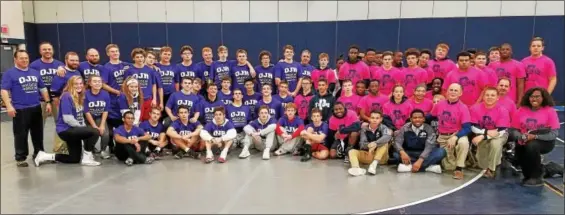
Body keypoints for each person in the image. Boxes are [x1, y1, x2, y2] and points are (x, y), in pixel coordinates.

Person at [34, 76, 100, 166]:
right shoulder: (66, 96)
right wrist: (83, 129)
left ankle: (44, 156)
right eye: (76, 84)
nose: (79, 86)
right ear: (70, 85)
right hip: (66, 130)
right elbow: (68, 119)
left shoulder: (80, 96)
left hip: (74, 130)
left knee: (74, 158)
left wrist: (83, 130)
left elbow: (80, 117)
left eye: (81, 83)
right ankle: (87, 157)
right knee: (94, 131)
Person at [1, 50, 52, 167]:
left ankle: (39, 154)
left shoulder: (35, 72)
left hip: (36, 107)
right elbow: (4, 90)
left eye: (26, 58)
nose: (24, 60)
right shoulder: (10, 73)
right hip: (20, 109)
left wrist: (48, 102)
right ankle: (20, 157)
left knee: (38, 133)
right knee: (21, 134)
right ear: (15, 59)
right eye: (21, 58)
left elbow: (42, 88)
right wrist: (9, 106)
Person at [509, 87, 560, 186]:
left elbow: (553, 134)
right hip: (524, 140)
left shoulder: (549, 111)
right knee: (526, 172)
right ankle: (550, 168)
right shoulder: (521, 110)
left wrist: (535, 136)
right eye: (532, 96)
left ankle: (537, 178)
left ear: (543, 98)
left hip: (544, 142)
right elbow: (513, 129)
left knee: (532, 145)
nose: (534, 99)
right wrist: (520, 136)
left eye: (537, 96)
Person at [430, 83, 471, 180]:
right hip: (442, 137)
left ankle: (459, 169)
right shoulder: (440, 104)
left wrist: (455, 136)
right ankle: (456, 161)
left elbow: (467, 128)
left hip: (456, 134)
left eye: (456, 90)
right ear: (447, 92)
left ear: (460, 93)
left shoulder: (463, 108)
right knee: (448, 167)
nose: (453, 92)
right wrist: (416, 118)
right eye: (451, 90)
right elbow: (430, 116)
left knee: (463, 142)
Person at [470, 87, 510, 178]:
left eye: (492, 95)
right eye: (487, 95)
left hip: (500, 135)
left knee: (495, 143)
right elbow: (473, 126)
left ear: (497, 97)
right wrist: (486, 132)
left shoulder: (503, 110)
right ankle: (496, 159)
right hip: (482, 133)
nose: (489, 97)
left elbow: (500, 130)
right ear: (483, 97)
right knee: (482, 164)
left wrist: (483, 137)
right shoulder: (475, 108)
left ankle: (492, 169)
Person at [394, 109, 444, 174]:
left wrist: (420, 160)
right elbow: (397, 141)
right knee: (396, 154)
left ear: (424, 119)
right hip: (409, 153)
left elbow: (429, 147)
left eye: (420, 117)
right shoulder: (404, 128)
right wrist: (402, 152)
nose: (417, 119)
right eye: (415, 118)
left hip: (424, 153)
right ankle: (428, 167)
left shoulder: (429, 129)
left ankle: (409, 167)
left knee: (441, 152)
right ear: (411, 119)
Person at [29, 42, 64, 131]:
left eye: (49, 49)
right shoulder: (34, 65)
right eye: (44, 49)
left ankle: (60, 145)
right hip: (41, 99)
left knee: (60, 123)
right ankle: (39, 144)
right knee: (39, 124)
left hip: (57, 98)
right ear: (40, 51)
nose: (47, 51)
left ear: (53, 51)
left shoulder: (60, 64)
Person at [347, 110, 392, 176]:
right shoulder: (364, 129)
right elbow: (362, 144)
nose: (375, 120)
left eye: (377, 118)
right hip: (369, 155)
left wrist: (376, 143)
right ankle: (356, 168)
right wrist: (369, 145)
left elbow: (388, 136)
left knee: (384, 143)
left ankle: (374, 165)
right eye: (372, 118)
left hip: (381, 158)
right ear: (369, 119)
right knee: (351, 151)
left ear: (381, 119)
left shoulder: (384, 127)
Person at [124, 48, 157, 121]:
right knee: (136, 120)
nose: (140, 59)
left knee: (147, 119)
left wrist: (154, 98)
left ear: (144, 58)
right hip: (135, 100)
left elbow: (153, 85)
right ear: (133, 58)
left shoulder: (150, 70)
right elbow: (125, 86)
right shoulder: (129, 70)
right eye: (137, 57)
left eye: (141, 57)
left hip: (148, 99)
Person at [84, 75, 111, 159]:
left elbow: (105, 110)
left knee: (105, 133)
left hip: (99, 117)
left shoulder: (105, 94)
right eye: (95, 81)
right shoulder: (85, 94)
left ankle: (103, 150)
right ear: (90, 83)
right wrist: (94, 126)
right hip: (87, 118)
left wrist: (102, 125)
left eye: (99, 81)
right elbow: (86, 111)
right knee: (91, 133)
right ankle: (89, 150)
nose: (97, 83)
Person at [155, 46, 176, 113]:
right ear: (160, 55)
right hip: (159, 94)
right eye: (165, 54)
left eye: (169, 54)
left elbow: (177, 82)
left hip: (171, 94)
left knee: (170, 112)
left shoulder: (174, 66)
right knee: (159, 112)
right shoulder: (155, 65)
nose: (167, 56)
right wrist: (152, 66)